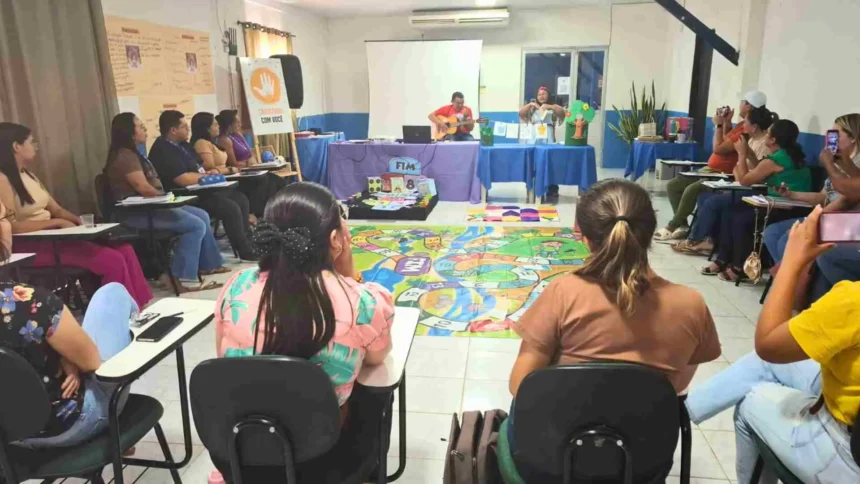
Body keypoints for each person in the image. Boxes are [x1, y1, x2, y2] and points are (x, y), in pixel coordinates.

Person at [505, 179, 721, 481]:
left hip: (552, 458)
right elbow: (675, 387)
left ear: (581, 236)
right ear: (649, 232)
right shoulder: (691, 305)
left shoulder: (563, 293)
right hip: (642, 461)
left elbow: (521, 385)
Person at [213, 182, 393, 481]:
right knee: (377, 391)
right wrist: (348, 277)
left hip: (239, 450)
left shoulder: (237, 285)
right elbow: (377, 358)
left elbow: (223, 355)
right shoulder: (362, 301)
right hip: (324, 459)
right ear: (336, 238)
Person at [685, 206, 860, 483]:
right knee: (763, 363)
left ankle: (666, 423)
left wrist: (792, 260)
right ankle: (677, 417)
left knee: (752, 399)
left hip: (846, 454)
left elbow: (769, 344)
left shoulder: (852, 301)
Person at [0, 122, 152, 308]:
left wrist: (79, 222)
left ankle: (139, 306)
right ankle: (115, 313)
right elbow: (10, 226)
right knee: (111, 260)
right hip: (29, 247)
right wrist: (55, 223)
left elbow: (56, 209)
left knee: (124, 249)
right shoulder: (3, 179)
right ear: (16, 146)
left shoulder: (29, 175)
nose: (35, 147)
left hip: (53, 238)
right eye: (31, 142)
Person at [3, 273, 137, 449]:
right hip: (63, 425)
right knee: (113, 293)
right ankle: (120, 429)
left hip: (6, 442)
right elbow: (92, 363)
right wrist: (69, 356)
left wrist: (60, 356)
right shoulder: (26, 299)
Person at [104, 112, 228, 293]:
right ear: (129, 132)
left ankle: (208, 264)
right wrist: (168, 199)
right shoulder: (125, 157)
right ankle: (179, 278)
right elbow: (144, 189)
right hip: (136, 213)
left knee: (201, 215)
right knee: (194, 225)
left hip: (152, 206)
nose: (145, 129)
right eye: (140, 126)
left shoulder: (135, 154)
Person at [701, 119, 811, 282]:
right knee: (729, 212)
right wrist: (749, 153)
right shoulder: (789, 154)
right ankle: (723, 259)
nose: (765, 135)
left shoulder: (774, 160)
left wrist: (742, 154)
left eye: (768, 133)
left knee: (740, 219)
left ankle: (740, 267)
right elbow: (758, 171)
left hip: (789, 207)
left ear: (773, 140)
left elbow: (745, 180)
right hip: (787, 204)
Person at [656, 91, 768, 242]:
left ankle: (673, 226)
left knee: (691, 190)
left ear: (748, 106)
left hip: (722, 173)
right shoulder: (743, 125)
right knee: (673, 185)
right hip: (714, 169)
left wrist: (719, 124)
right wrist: (727, 123)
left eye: (742, 102)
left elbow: (719, 148)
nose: (739, 105)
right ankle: (682, 226)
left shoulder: (745, 131)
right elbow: (728, 139)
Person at [148, 110, 258, 261]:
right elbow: (182, 179)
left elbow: (198, 166)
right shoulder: (163, 149)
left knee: (240, 198)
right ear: (173, 130)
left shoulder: (183, 145)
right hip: (184, 195)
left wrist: (209, 173)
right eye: (184, 127)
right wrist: (207, 176)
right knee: (229, 207)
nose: (188, 130)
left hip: (202, 189)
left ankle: (251, 242)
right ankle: (245, 250)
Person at [194, 111, 286, 218]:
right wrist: (243, 165)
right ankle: (259, 215)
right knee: (262, 181)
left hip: (236, 171)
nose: (239, 124)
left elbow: (249, 153)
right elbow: (216, 167)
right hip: (231, 175)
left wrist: (250, 161)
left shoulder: (235, 136)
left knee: (276, 181)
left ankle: (277, 212)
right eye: (215, 124)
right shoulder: (214, 141)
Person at [520, 86, 567, 198]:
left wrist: (550, 106)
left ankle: (552, 188)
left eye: (543, 94)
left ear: (548, 96)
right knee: (534, 162)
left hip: (549, 138)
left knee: (551, 162)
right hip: (534, 139)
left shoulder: (553, 108)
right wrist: (530, 104)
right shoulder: (532, 109)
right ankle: (532, 187)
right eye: (539, 94)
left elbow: (562, 113)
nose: (541, 96)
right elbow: (521, 114)